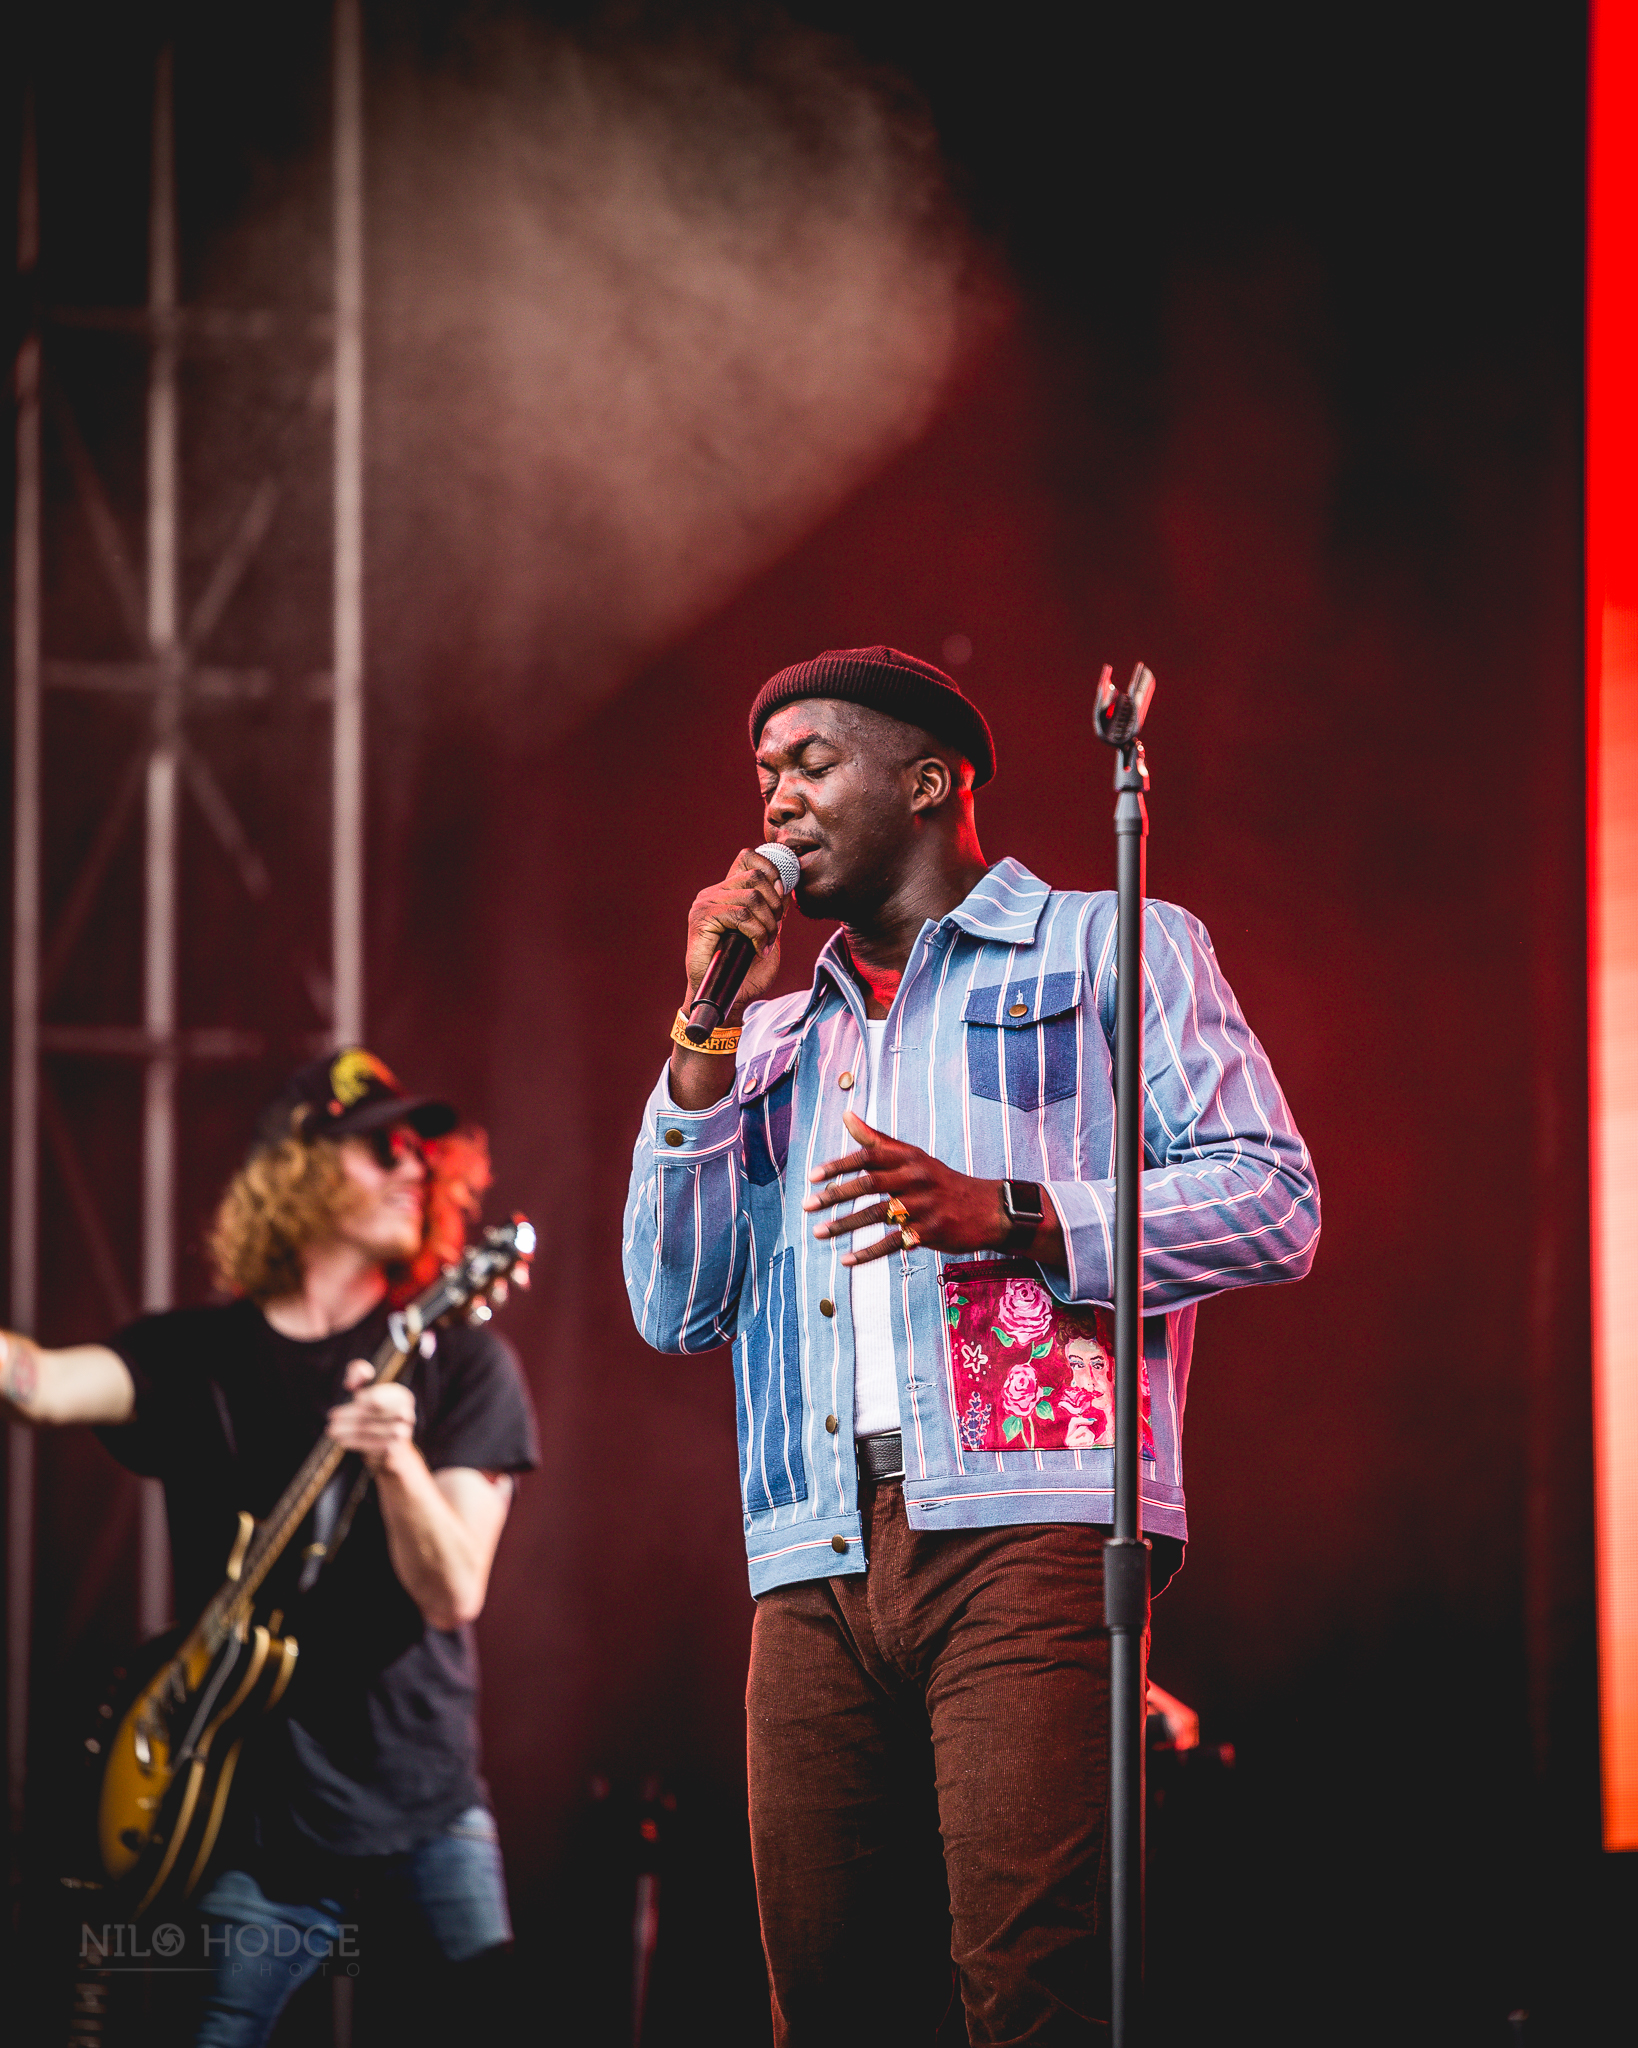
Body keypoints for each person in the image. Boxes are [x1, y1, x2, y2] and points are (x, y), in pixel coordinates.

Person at [622, 645, 1320, 2044]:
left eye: (810, 765)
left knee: (1028, 1994)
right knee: (824, 2007)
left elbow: (1272, 1198)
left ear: (929, 781)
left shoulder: (1110, 944)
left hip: (1029, 1528)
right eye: (762, 777)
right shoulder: (761, 1041)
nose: (775, 804)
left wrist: (1010, 1213)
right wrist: (698, 1035)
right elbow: (669, 1301)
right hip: (811, 1554)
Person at [0, 1047, 539, 2046]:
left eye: (422, 1152)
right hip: (256, 1820)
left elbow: (454, 1588)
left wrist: (395, 1461)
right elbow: (37, 1381)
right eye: (381, 1146)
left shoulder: (458, 1356)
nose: (412, 1168)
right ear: (296, 1163)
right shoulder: (196, 1355)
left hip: (423, 1799)